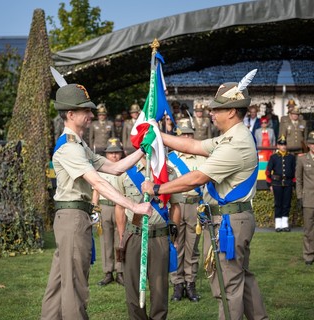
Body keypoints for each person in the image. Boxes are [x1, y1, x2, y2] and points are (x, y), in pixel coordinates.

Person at [142, 81, 268, 320]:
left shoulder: (235, 143)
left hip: (229, 222)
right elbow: (194, 145)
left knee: (227, 285)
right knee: (241, 277)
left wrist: (157, 188)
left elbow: (197, 177)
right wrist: (159, 136)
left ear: (231, 111)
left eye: (216, 109)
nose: (211, 112)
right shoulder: (232, 136)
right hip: (231, 218)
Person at [40, 83, 152, 320]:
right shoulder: (70, 148)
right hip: (72, 218)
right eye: (85, 111)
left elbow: (114, 168)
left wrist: (142, 150)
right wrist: (134, 206)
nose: (91, 115)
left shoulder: (79, 145)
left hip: (72, 217)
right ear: (70, 115)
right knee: (75, 287)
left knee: (59, 284)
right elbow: (99, 183)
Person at [115, 155, 182, 320]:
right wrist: (122, 236)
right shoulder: (126, 171)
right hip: (134, 235)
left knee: (159, 289)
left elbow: (175, 205)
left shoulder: (169, 173)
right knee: (132, 288)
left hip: (159, 236)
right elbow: (120, 207)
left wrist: (174, 237)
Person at [167, 119, 207, 302]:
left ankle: (190, 284)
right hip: (175, 206)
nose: (187, 137)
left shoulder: (202, 158)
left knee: (192, 248)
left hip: (193, 205)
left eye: (190, 134)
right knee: (175, 246)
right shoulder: (170, 158)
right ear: (178, 137)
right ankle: (177, 284)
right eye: (183, 134)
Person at [92, 138, 125, 287]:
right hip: (105, 207)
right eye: (111, 153)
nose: (114, 156)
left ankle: (120, 271)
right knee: (105, 241)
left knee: (120, 240)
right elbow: (96, 190)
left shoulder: (124, 169)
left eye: (117, 152)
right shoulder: (100, 169)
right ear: (106, 155)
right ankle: (108, 272)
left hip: (120, 207)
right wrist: (94, 207)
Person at [265, 135, 296, 232]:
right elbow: (268, 172)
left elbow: (294, 171)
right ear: (278, 146)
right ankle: (278, 224)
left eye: (284, 145)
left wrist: (293, 184)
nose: (283, 146)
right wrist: (270, 184)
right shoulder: (274, 157)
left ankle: (285, 223)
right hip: (277, 184)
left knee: (286, 204)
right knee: (278, 203)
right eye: (281, 145)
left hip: (288, 183)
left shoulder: (291, 157)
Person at [296, 131, 314, 265]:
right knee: (308, 229)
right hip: (308, 199)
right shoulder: (302, 159)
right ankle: (308, 255)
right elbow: (299, 180)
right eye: (312, 143)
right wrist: (299, 196)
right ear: (308, 145)